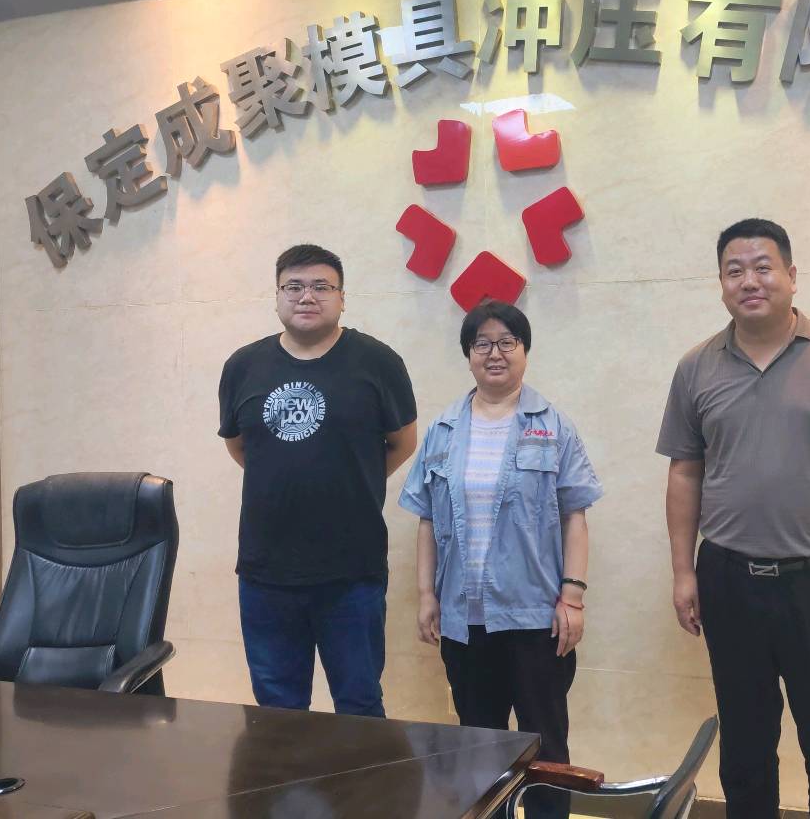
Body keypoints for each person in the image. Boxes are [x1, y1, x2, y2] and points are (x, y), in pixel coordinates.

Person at [656, 218, 810, 819]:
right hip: (729, 579)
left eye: (763, 267)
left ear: (792, 275)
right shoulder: (696, 367)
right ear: (720, 284)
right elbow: (685, 473)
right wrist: (684, 572)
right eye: (734, 271)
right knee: (744, 746)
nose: (750, 281)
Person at [399, 299, 602, 819]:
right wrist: (426, 595)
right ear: (468, 354)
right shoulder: (443, 430)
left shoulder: (553, 426)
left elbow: (575, 515)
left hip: (536, 618)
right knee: (478, 748)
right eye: (482, 343)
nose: (495, 353)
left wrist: (573, 598)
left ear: (524, 351)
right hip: (465, 621)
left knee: (545, 747)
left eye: (507, 342)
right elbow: (427, 521)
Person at [219, 243, 417, 717]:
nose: (306, 296)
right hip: (266, 572)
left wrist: (351, 477)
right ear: (276, 296)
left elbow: (403, 442)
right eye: (294, 286)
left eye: (321, 287)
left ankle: (364, 773)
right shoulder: (243, 366)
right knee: (277, 710)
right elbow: (241, 446)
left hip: (352, 570)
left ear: (342, 298)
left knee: (360, 703)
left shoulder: (377, 362)